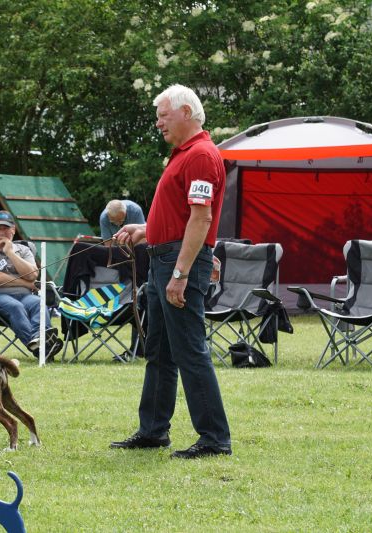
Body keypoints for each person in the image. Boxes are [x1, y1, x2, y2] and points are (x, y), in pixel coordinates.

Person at [110, 84, 232, 459]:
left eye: (164, 114)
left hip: (179, 263)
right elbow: (181, 217)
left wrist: (180, 274)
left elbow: (201, 218)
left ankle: (214, 438)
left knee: (190, 349)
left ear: (186, 112)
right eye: (158, 115)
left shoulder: (199, 156)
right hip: (164, 257)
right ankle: (153, 430)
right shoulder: (182, 156)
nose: (158, 122)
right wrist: (145, 230)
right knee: (160, 351)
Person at [0, 210, 63, 361]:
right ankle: (43, 347)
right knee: (15, 306)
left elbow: (32, 275)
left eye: (6, 228)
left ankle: (42, 343)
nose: (2, 232)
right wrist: (26, 284)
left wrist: (11, 253)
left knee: (38, 304)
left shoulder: (24, 250)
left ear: (13, 230)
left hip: (25, 296)